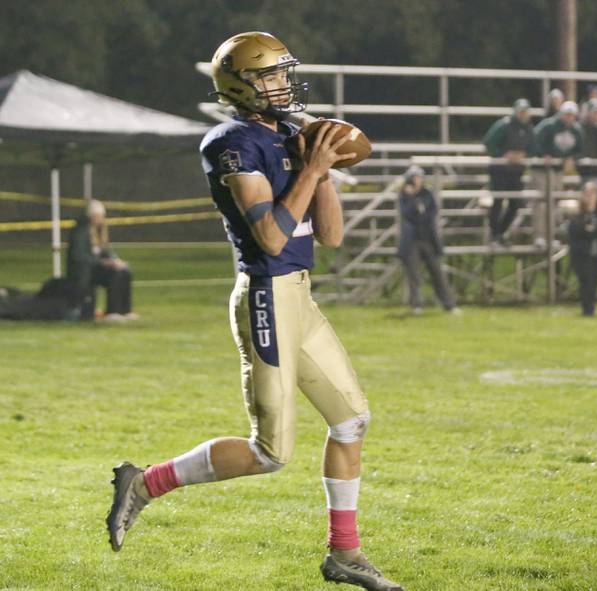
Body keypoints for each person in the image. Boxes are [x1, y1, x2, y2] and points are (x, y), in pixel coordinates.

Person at [104, 32, 403, 591]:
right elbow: (268, 237)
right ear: (240, 88)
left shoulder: (292, 132)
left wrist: (326, 165)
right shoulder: (229, 143)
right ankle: (145, 483)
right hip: (266, 295)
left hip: (302, 296)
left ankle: (344, 553)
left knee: (351, 420)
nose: (282, 84)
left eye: (284, 73)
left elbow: (332, 235)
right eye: (268, 76)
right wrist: (310, 171)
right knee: (270, 453)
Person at [396, 165, 459, 315]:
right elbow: (407, 213)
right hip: (412, 240)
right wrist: (412, 199)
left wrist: (420, 211)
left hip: (428, 238)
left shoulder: (427, 194)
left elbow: (431, 213)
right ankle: (416, 304)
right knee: (414, 274)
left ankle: (448, 304)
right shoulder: (404, 195)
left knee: (437, 272)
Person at [66, 199, 135, 321]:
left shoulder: (99, 230)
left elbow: (104, 251)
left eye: (102, 216)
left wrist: (115, 260)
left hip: (95, 268)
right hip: (84, 272)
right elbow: (79, 256)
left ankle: (125, 310)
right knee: (115, 275)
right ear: (91, 216)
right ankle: (112, 312)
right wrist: (102, 263)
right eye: (98, 216)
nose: (100, 219)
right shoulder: (81, 231)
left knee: (124, 272)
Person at [481, 98, 537, 246]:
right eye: (520, 111)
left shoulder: (529, 129)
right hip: (500, 170)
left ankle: (501, 233)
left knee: (515, 205)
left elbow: (533, 149)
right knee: (497, 202)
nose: (523, 114)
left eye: (525, 112)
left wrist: (523, 155)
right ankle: (494, 236)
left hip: (516, 172)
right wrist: (504, 155)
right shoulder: (504, 125)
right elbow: (488, 143)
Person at [533, 100, 584, 247]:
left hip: (558, 170)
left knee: (554, 203)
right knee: (542, 202)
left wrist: (572, 158)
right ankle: (539, 236)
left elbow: (581, 149)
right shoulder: (548, 126)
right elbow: (534, 142)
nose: (569, 118)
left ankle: (550, 236)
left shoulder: (576, 130)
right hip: (542, 169)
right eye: (566, 114)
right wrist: (543, 154)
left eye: (571, 115)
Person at [568, 182, 597, 316]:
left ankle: (591, 309)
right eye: (587, 194)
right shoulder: (577, 214)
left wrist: (593, 229)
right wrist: (592, 230)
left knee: (594, 280)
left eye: (593, 194)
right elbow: (577, 231)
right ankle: (586, 309)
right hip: (581, 253)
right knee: (585, 280)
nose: (590, 197)